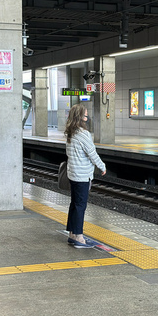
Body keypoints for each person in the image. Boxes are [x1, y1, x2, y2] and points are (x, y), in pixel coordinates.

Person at [64, 104, 106, 248]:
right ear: (80, 117)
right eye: (85, 115)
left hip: (73, 174)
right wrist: (102, 166)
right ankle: (79, 238)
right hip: (82, 175)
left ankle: (72, 234)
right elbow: (92, 153)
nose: (87, 117)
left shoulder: (70, 133)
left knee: (74, 204)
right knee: (80, 205)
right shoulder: (83, 134)